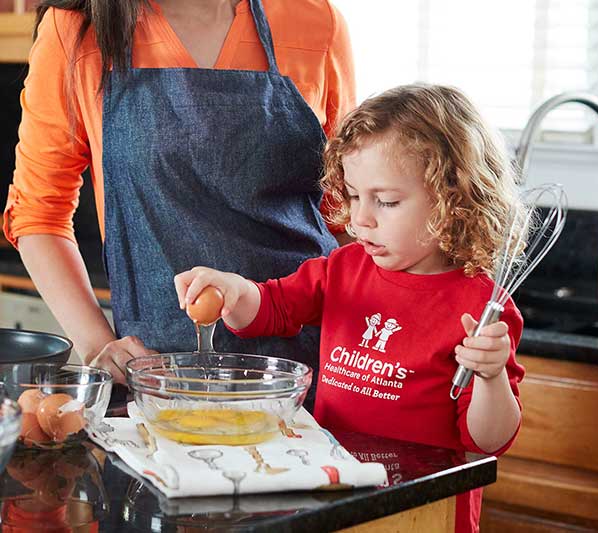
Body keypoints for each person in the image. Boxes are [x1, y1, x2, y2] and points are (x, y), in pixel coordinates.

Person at [174, 84, 526, 533]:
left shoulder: (483, 307)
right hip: (333, 496)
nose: (361, 219)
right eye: (355, 196)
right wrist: (233, 290)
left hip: (421, 513)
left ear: (453, 198)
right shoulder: (345, 268)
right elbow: (271, 309)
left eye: (387, 201)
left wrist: (490, 375)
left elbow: (487, 440)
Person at [2, 0, 355, 386]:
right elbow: (39, 214)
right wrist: (96, 343)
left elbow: (342, 211)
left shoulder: (317, 22)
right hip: (159, 373)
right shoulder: (77, 30)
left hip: (312, 364)